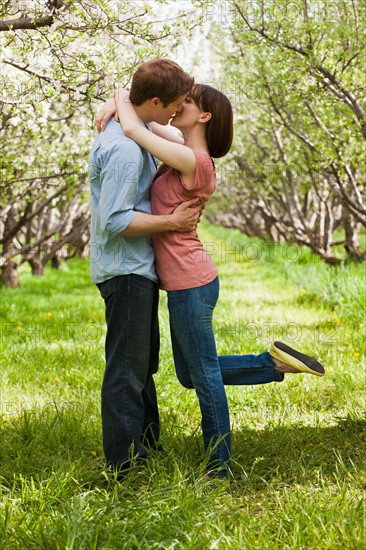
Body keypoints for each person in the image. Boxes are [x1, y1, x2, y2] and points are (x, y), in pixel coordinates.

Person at [98, 81, 325, 479]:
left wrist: (122, 106)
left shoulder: (196, 162)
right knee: (190, 374)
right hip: (186, 281)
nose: (178, 105)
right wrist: (114, 100)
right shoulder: (183, 147)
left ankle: (219, 468)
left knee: (202, 377)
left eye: (187, 101)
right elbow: (145, 118)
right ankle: (272, 363)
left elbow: (136, 129)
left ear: (203, 116)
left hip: (191, 283)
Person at [89, 59, 201, 477]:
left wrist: (118, 103)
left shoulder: (139, 131)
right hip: (127, 271)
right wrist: (173, 222)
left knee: (141, 365)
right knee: (126, 369)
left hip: (136, 269)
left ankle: (147, 448)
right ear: (154, 101)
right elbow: (115, 221)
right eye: (173, 104)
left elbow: (175, 130)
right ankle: (124, 467)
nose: (177, 110)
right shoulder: (123, 149)